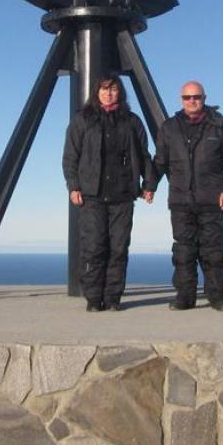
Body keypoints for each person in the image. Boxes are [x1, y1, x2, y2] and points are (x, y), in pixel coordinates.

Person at [63, 74, 156, 312]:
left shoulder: (131, 121)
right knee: (94, 247)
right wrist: (73, 186)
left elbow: (144, 155)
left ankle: (113, 297)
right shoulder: (83, 120)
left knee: (119, 248)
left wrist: (149, 184)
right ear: (97, 92)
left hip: (122, 194)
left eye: (113, 89)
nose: (108, 93)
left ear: (120, 92)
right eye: (104, 89)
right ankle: (94, 298)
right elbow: (70, 157)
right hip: (92, 195)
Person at [153, 80, 223, 311]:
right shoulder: (170, 127)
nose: (192, 101)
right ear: (181, 100)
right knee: (183, 251)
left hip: (211, 199)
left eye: (196, 97)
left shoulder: (221, 125)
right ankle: (185, 297)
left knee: (213, 250)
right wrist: (149, 185)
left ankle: (218, 297)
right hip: (180, 200)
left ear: (204, 98)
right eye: (187, 97)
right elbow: (161, 160)